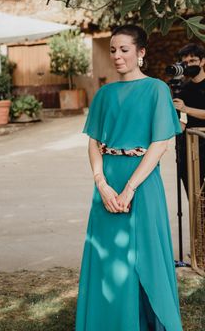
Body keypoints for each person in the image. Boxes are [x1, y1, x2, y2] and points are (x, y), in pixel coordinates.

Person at [75, 25, 183, 331]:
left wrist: (130, 188)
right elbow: (94, 141)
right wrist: (102, 184)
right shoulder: (105, 94)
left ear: (141, 52)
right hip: (107, 185)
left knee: (145, 253)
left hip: (142, 183)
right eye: (113, 50)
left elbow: (159, 144)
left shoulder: (156, 90)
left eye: (124, 49)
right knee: (109, 257)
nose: (117, 56)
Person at [172, 43, 205, 195]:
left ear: (202, 61)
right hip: (189, 149)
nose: (188, 65)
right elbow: (181, 122)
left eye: (193, 61)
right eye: (185, 63)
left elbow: (187, 111)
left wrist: (186, 109)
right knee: (194, 199)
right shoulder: (183, 89)